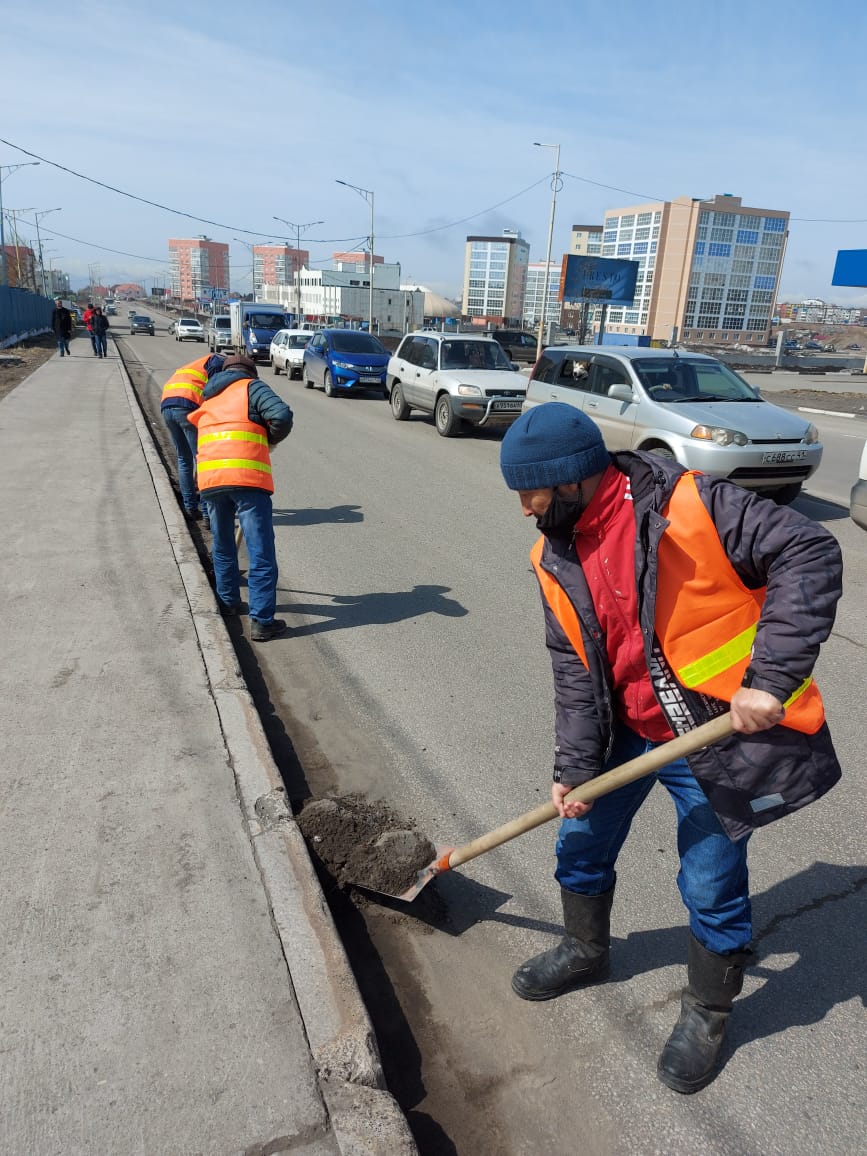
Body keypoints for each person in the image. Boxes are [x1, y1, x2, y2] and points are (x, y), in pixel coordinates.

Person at [498, 402, 842, 1094]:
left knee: (710, 880)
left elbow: (809, 551)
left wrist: (768, 678)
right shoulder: (552, 554)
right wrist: (573, 768)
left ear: (570, 481)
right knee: (580, 843)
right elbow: (572, 670)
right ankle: (585, 947)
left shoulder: (691, 507)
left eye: (530, 493)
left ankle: (706, 1012)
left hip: (708, 734)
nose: (523, 510)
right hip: (622, 731)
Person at [188, 354, 293, 641]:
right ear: (250, 372)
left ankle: (228, 602)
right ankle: (261, 620)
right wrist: (269, 440)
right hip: (246, 479)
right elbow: (281, 415)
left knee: (222, 545)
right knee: (260, 552)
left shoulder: (209, 399)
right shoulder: (250, 387)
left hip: (210, 480)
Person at [160, 353, 224, 520]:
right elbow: (215, 393)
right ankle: (206, 513)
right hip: (187, 405)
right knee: (202, 461)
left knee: (184, 459)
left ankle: (190, 507)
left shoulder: (199, 363)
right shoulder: (218, 361)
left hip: (167, 405)